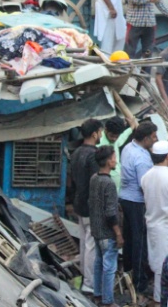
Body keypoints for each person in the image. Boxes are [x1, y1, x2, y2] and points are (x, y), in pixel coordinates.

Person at [141, 140, 168, 305]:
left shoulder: (146, 177)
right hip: (167, 227)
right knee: (164, 266)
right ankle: (161, 299)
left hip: (152, 225)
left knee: (157, 262)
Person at [120, 121, 158, 301]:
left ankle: (127, 271)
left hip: (126, 198)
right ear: (145, 138)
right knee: (139, 241)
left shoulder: (128, 147)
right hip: (136, 201)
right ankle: (140, 282)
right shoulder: (143, 159)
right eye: (153, 137)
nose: (155, 139)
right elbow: (145, 186)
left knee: (130, 239)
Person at [89, 146, 123, 307]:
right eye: (115, 157)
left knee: (99, 263)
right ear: (109, 161)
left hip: (96, 230)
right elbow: (110, 213)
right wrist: (118, 233)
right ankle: (108, 301)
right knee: (109, 267)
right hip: (107, 232)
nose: (116, 160)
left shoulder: (94, 178)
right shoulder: (108, 183)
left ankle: (98, 295)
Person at [71, 118, 103, 294]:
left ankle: (85, 277)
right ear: (94, 134)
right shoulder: (94, 155)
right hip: (90, 205)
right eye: (100, 132)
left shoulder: (77, 152)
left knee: (84, 242)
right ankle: (89, 283)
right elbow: (95, 182)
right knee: (91, 244)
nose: (102, 134)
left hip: (79, 202)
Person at [97, 116, 136, 191]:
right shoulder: (99, 144)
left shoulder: (116, 140)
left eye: (116, 137)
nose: (114, 139)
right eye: (112, 136)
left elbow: (122, 137)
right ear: (105, 129)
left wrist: (132, 127)